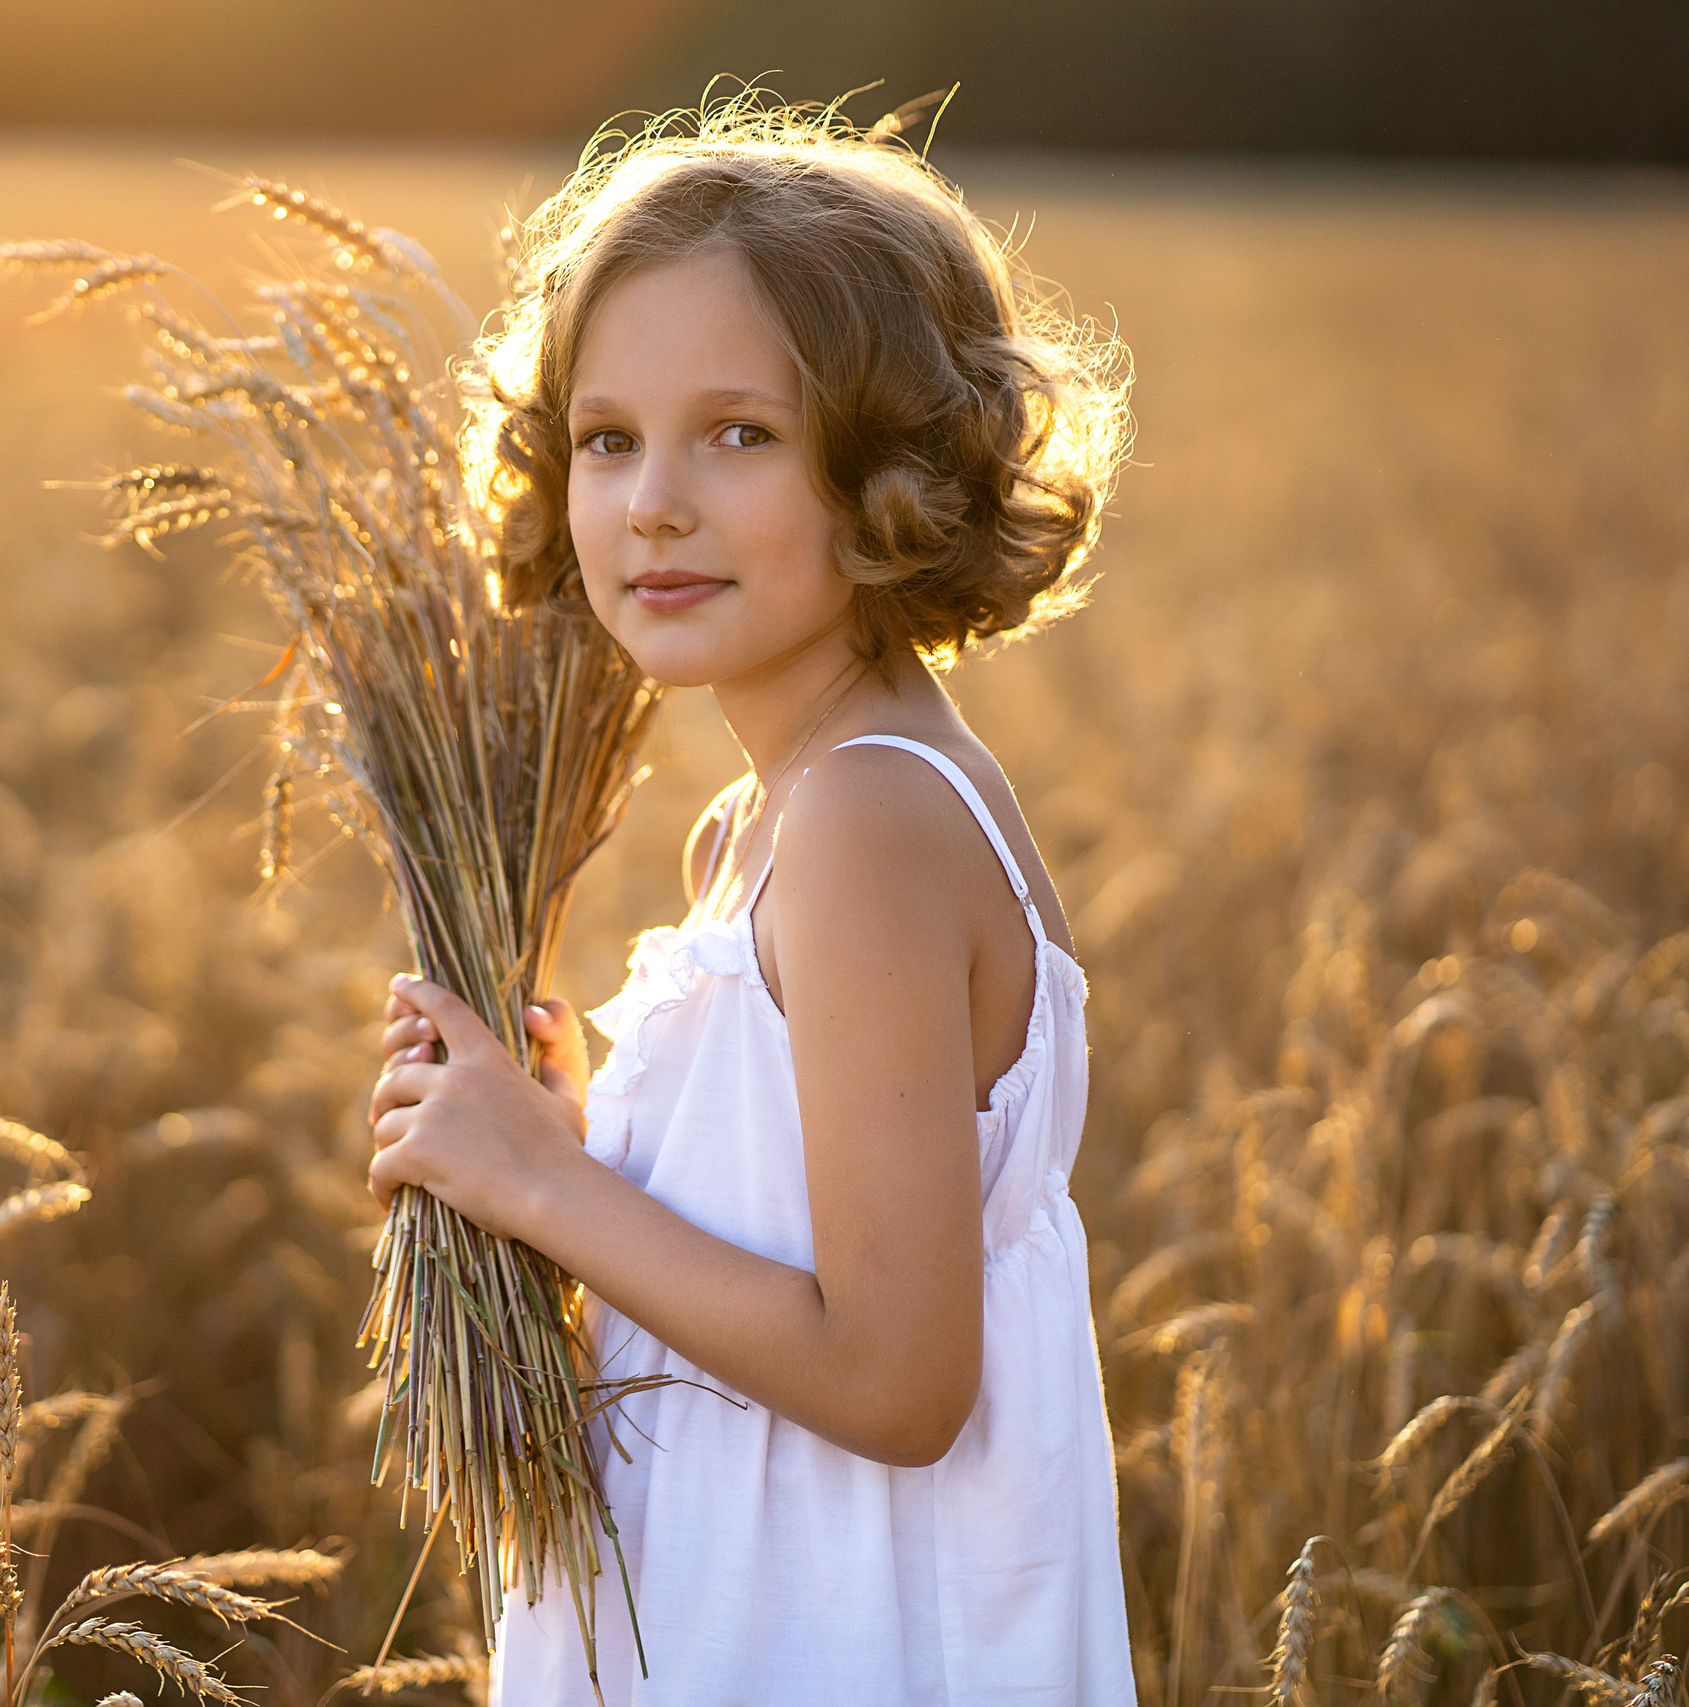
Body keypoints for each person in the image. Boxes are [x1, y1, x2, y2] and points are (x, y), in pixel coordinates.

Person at [363, 95, 1137, 1705]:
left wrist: (544, 1189)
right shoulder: (765, 824)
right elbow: (766, 1276)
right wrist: (572, 1148)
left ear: (889, 470)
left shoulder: (865, 821)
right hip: (740, 1603)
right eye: (607, 438)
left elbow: (899, 1379)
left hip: (837, 1637)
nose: (654, 499)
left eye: (740, 434)